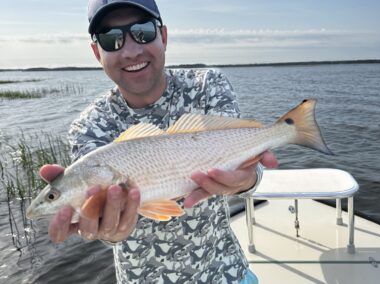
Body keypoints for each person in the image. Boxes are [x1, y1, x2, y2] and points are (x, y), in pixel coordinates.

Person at [42, 0, 278, 283]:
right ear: (97, 52)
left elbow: (246, 166)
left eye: (142, 31)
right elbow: (104, 216)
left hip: (225, 272)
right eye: (111, 39)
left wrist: (248, 181)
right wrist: (109, 232)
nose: (130, 51)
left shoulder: (208, 86)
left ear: (163, 36)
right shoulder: (89, 126)